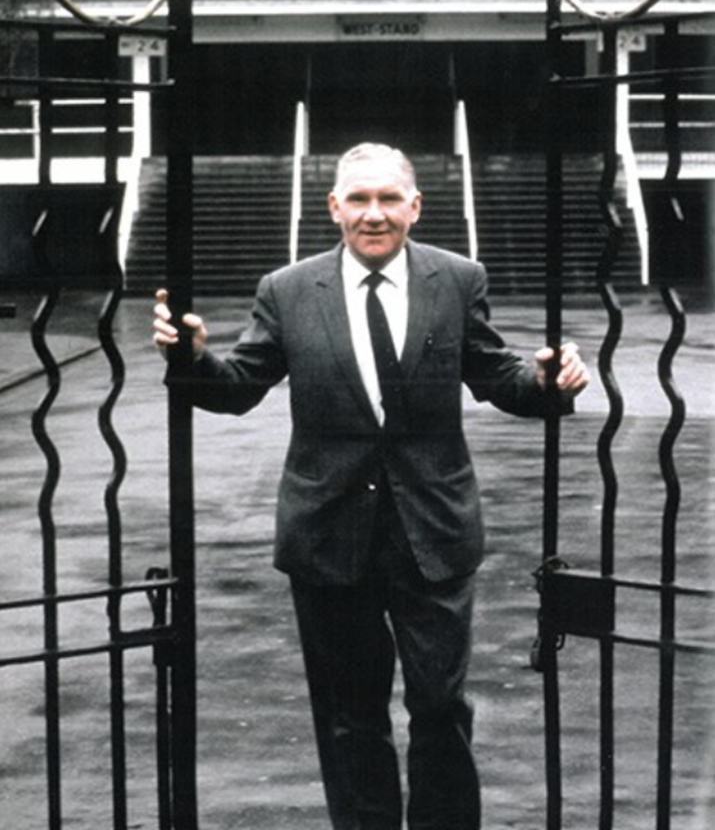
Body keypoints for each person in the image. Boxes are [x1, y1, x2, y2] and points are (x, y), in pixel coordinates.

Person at [153, 142, 589, 830]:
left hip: (433, 531)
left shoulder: (456, 279)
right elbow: (239, 385)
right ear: (334, 208)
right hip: (328, 534)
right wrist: (195, 357)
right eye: (358, 199)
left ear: (415, 206)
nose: (374, 214)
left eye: (389, 198)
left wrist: (546, 379)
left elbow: (494, 372)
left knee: (440, 707)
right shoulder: (288, 290)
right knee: (350, 716)